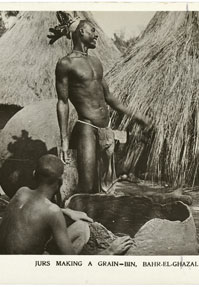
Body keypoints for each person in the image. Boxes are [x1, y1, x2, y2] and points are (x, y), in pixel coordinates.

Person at [54, 16, 151, 194]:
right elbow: (62, 102)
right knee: (88, 184)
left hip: (105, 129)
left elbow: (109, 97)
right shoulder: (65, 64)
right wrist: (64, 139)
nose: (96, 35)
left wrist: (136, 116)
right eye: (93, 31)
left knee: (106, 184)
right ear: (81, 32)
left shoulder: (96, 63)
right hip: (86, 127)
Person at [0, 154, 135, 254]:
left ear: (34, 174)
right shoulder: (52, 212)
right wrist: (110, 251)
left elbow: (36, 208)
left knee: (80, 227)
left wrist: (66, 211)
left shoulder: (21, 192)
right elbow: (71, 264)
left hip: (1, 270)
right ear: (60, 182)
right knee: (82, 231)